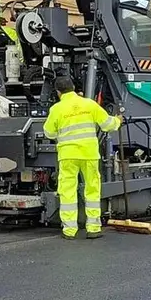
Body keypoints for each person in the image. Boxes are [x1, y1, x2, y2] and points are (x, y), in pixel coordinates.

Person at [42, 76, 122, 240]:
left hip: (68, 155)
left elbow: (48, 132)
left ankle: (70, 230)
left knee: (68, 191)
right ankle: (93, 228)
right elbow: (107, 124)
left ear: (58, 92)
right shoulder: (89, 104)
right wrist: (118, 120)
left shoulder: (57, 109)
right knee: (92, 189)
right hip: (89, 154)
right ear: (73, 87)